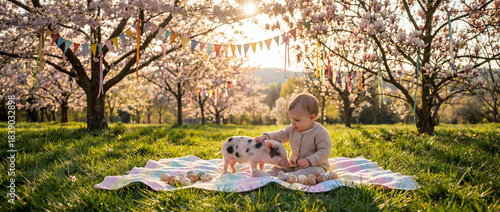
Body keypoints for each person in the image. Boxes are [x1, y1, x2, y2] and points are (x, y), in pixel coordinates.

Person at [253, 93, 332, 180]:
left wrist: (310, 160)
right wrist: (268, 136)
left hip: (316, 165)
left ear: (312, 118)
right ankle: (268, 174)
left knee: (311, 171)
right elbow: (281, 134)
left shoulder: (320, 133)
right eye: (291, 119)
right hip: (294, 164)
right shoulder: (292, 128)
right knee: (279, 168)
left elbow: (325, 151)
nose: (293, 123)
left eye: (297, 120)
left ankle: (289, 177)